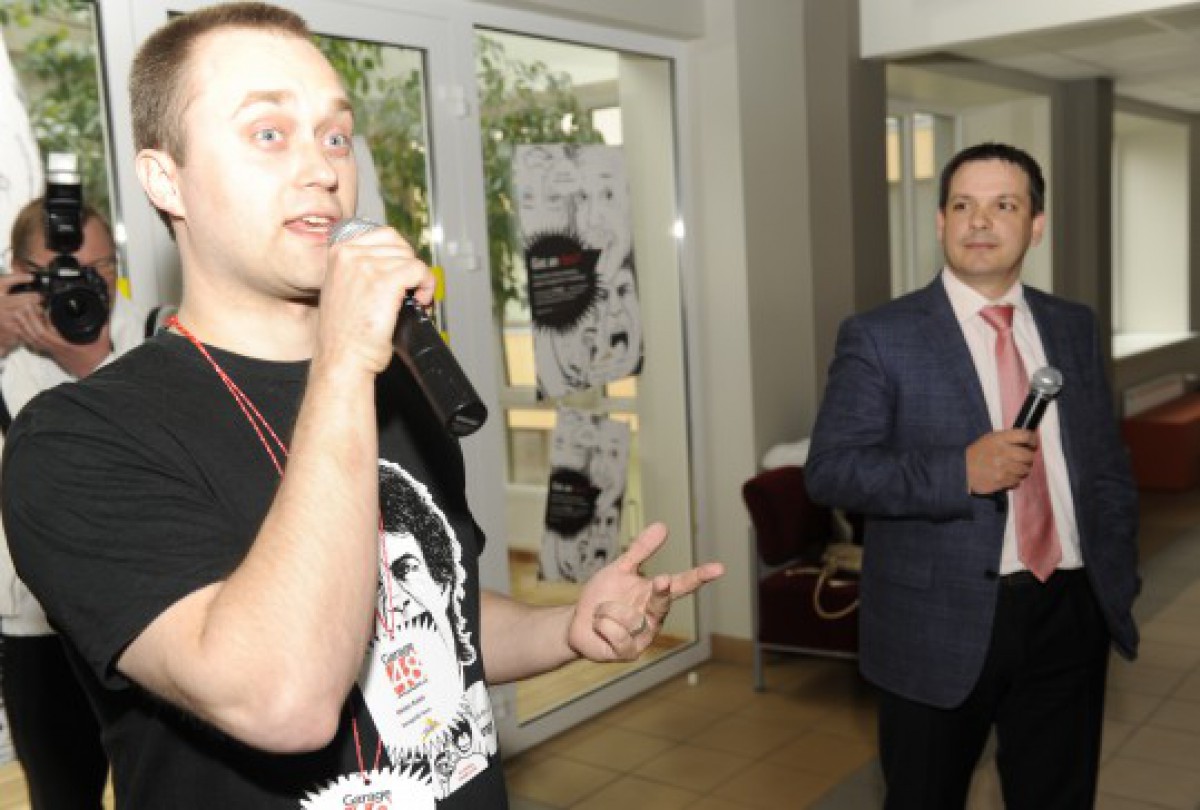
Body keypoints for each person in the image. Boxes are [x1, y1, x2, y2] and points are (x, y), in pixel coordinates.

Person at [0, 4, 723, 808]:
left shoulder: (396, 383)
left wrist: (567, 627)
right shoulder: (76, 441)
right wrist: (343, 361)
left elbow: (439, 613)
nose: (322, 167)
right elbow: (281, 699)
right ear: (166, 178)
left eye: (336, 136)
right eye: (269, 132)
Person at [805, 142, 1139, 809]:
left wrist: (1116, 581)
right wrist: (958, 471)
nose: (980, 221)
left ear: (1036, 225)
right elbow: (832, 471)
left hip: (1069, 611)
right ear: (940, 222)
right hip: (936, 623)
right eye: (963, 205)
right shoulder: (880, 334)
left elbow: (1104, 465)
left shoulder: (1072, 325)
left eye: (1003, 205)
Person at [0, 197, 148, 809]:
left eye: (99, 269)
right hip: (35, 628)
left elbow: (165, 459)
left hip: (143, 619)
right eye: (64, 273)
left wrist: (94, 365)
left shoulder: (152, 337)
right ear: (18, 272)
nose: (85, 287)